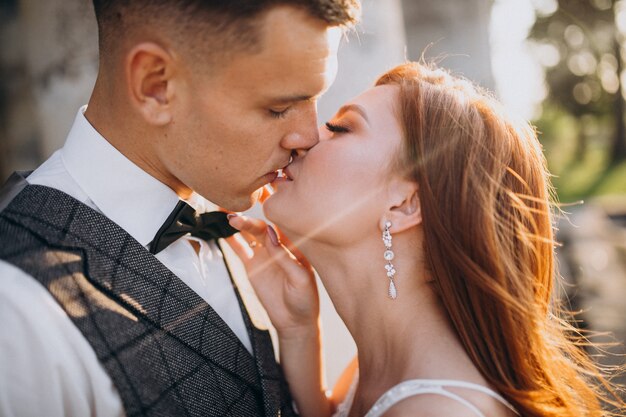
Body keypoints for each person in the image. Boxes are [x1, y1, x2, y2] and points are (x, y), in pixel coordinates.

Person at [0, 1, 360, 416]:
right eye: (277, 108)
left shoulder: (212, 196)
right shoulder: (18, 315)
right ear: (156, 84)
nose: (308, 136)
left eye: (316, 99)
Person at [227, 62, 626, 417]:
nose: (306, 137)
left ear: (404, 205)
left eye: (340, 128)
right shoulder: (382, 369)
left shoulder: (437, 409)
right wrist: (299, 334)